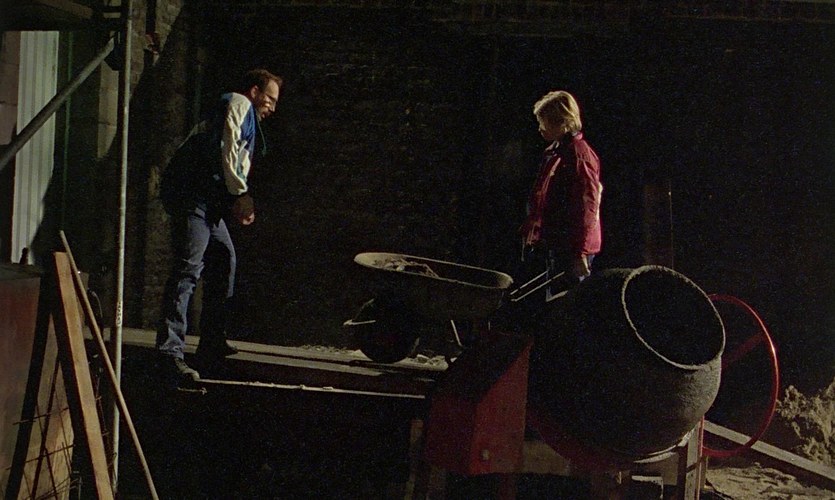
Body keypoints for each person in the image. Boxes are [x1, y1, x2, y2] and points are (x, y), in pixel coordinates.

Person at [157, 68, 283, 385]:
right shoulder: (238, 103)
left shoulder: (248, 118)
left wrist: (234, 197)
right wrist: (240, 194)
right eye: (269, 99)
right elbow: (228, 148)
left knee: (224, 258)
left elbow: (234, 157)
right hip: (193, 198)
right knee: (188, 269)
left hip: (207, 204)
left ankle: (212, 340)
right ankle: (169, 352)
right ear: (254, 92)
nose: (271, 107)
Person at [518, 90, 602, 301]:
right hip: (558, 244)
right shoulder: (556, 153)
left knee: (567, 306)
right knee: (555, 304)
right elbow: (541, 199)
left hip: (570, 248)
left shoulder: (578, 155)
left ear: (562, 122)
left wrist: (580, 252)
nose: (540, 127)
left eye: (544, 121)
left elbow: (587, 206)